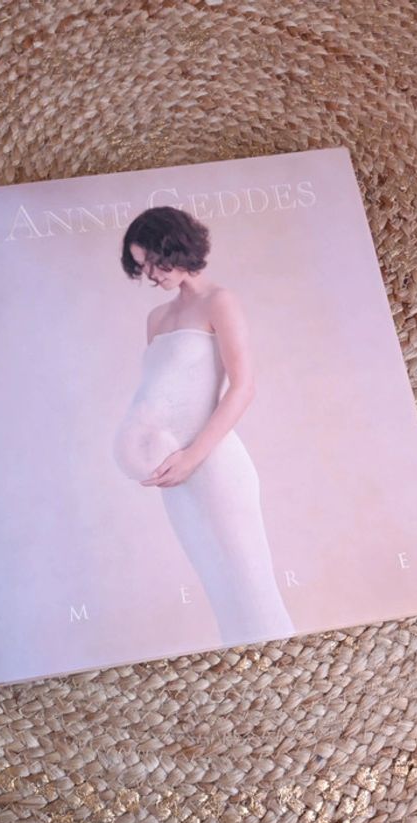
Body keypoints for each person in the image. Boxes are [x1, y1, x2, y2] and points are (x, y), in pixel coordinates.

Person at [113, 206, 294, 643]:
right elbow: (159, 396)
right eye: (140, 266)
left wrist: (192, 457)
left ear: (175, 247)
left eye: (153, 261)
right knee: (219, 591)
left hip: (213, 464)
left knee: (251, 588)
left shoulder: (219, 302)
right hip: (176, 480)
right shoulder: (156, 319)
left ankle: (286, 666)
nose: (150, 274)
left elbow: (243, 387)